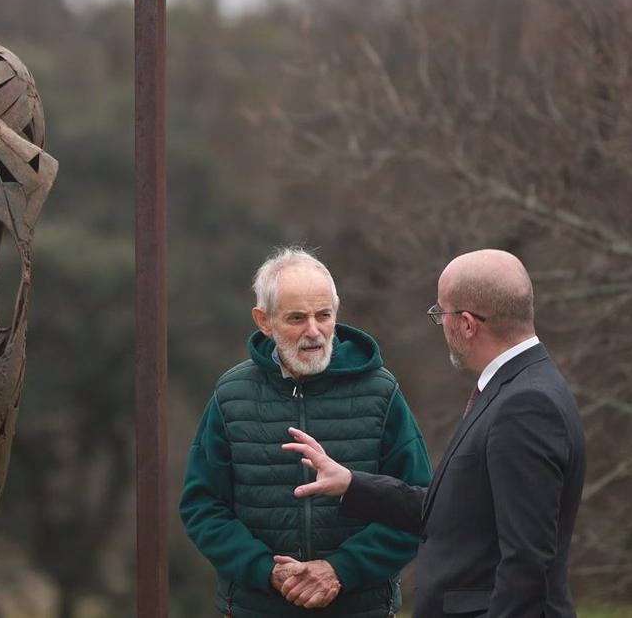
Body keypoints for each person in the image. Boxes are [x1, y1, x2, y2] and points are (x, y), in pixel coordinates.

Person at [283, 249, 586, 618]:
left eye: (441, 314)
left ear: (468, 323)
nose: (441, 324)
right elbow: (452, 512)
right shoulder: (518, 389)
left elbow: (527, 563)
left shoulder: (526, 405)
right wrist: (351, 484)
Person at [181, 247, 433, 617]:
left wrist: (340, 570)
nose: (313, 331)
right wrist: (268, 572)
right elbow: (202, 507)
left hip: (360, 609)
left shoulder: (382, 391)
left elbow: (420, 506)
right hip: (256, 608)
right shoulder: (230, 395)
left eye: (323, 316)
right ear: (263, 321)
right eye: (297, 318)